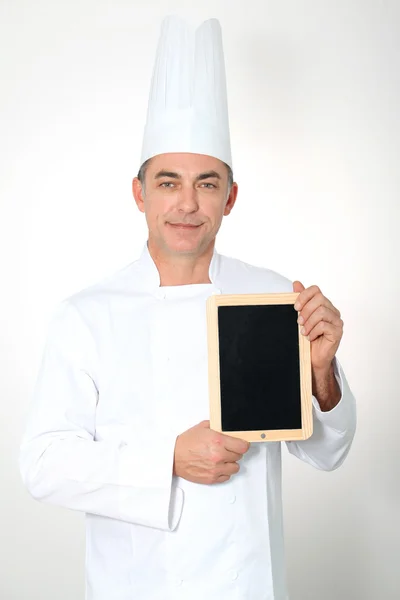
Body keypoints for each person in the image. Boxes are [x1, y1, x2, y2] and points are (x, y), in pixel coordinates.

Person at [19, 15, 356, 600]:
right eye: (169, 182)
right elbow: (44, 464)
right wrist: (168, 459)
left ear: (230, 198)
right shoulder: (87, 315)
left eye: (206, 184)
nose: (186, 204)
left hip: (249, 584)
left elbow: (328, 452)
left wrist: (323, 374)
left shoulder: (272, 296)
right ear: (139, 192)